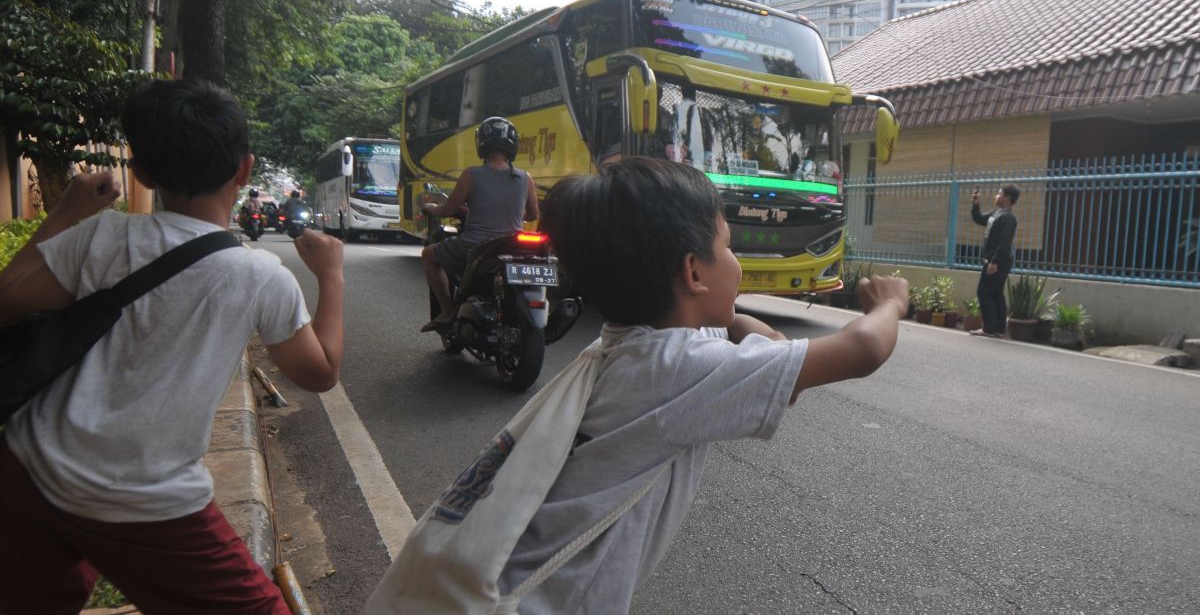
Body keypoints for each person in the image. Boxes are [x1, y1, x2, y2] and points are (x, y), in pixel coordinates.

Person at [497, 156, 909, 612]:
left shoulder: (633, 344)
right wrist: (887, 306)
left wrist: (729, 316)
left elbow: (764, 347)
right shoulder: (678, 368)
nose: (736, 263)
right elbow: (864, 350)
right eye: (728, 246)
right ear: (694, 273)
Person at [0, 79, 345, 614]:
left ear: (140, 174)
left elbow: (7, 298)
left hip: (28, 470)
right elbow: (320, 372)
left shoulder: (101, 237)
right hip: (146, 499)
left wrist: (67, 211)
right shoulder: (259, 276)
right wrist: (332, 275)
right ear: (245, 169)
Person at [420, 116, 538, 332]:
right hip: (513, 245)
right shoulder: (526, 178)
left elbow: (449, 210)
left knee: (428, 255)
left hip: (476, 244)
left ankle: (447, 310)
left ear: (481, 143)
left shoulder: (471, 175)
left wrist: (430, 208)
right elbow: (532, 214)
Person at [969, 183, 1020, 337]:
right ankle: (999, 329)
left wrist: (994, 262)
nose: (996, 195)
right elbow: (979, 219)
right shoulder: (996, 213)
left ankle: (989, 328)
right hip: (995, 260)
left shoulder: (1009, 218)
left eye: (999, 193)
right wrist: (975, 204)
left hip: (998, 262)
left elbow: (1004, 242)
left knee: (984, 292)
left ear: (1007, 197)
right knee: (996, 294)